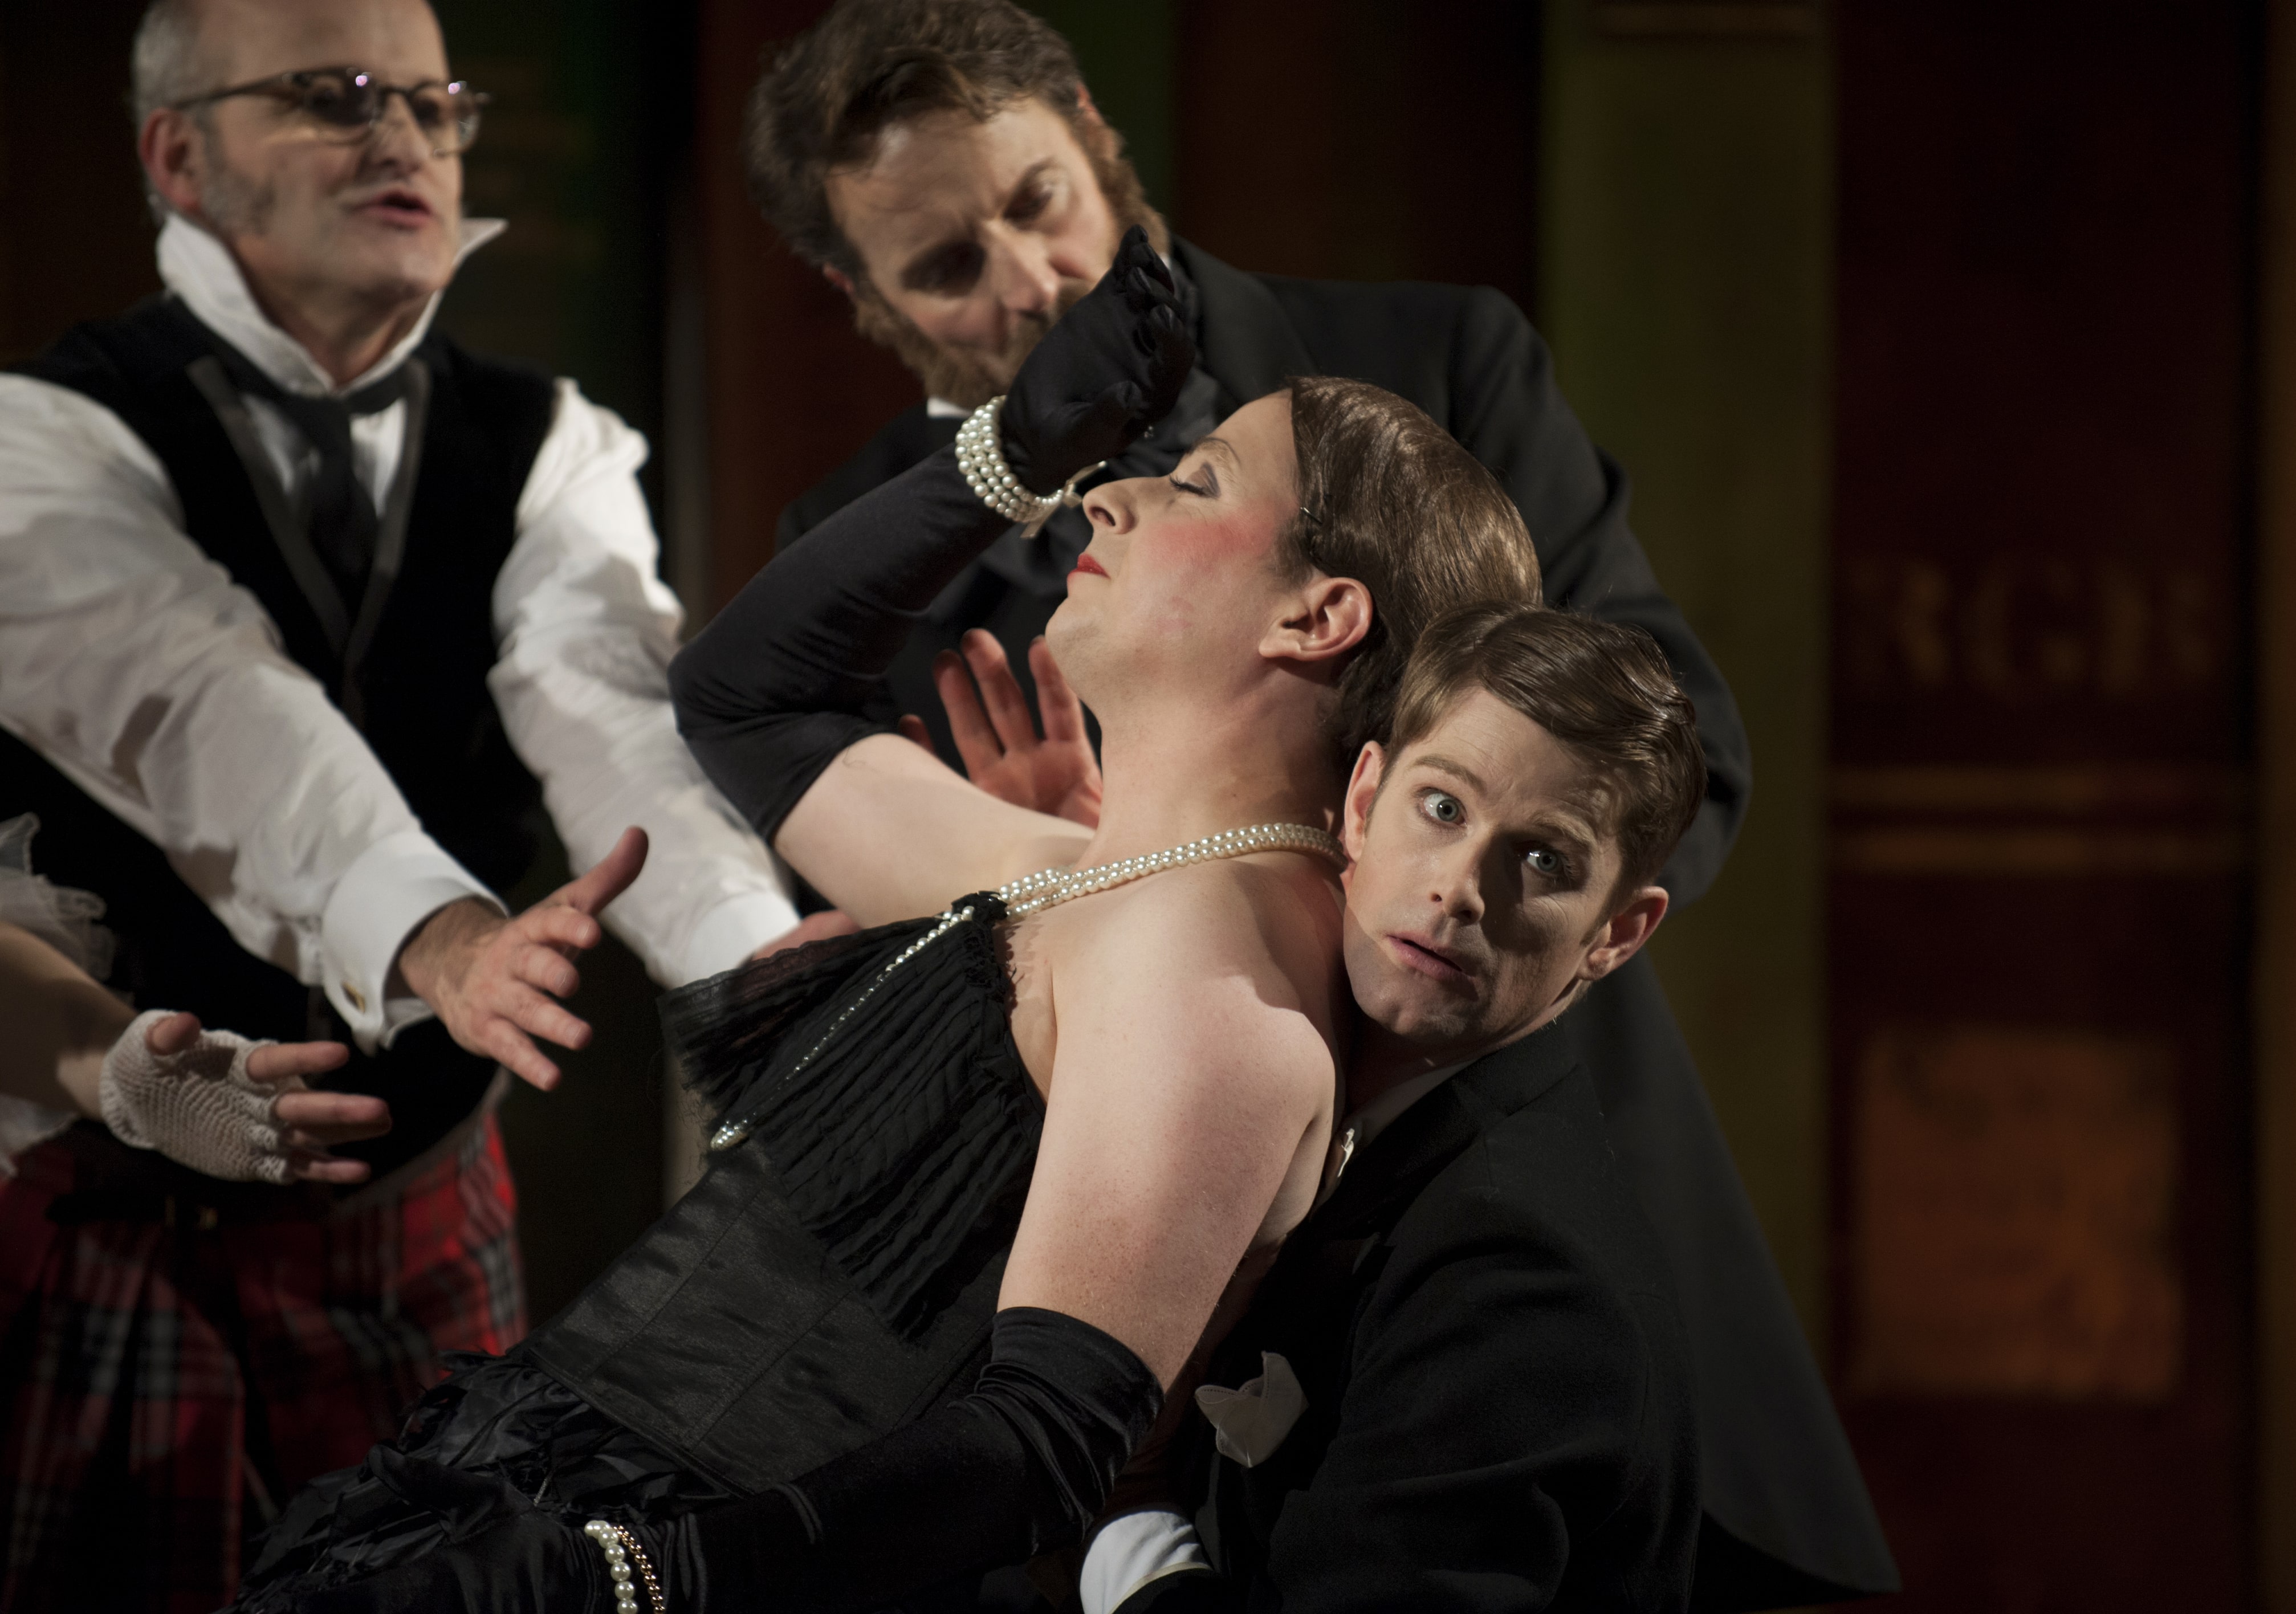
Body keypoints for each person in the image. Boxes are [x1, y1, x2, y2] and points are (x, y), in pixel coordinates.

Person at [228, 237, 1598, 1614]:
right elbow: (743, 699)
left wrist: (627, 1580)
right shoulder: (1089, 874)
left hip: (674, 1566)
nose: (1108, 496)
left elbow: (1039, 1443)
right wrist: (1007, 452)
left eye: (1192, 481)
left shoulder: (1219, 981)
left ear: (1316, 614)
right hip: (543, 1500)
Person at [747, 3, 1893, 1603]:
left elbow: (1678, 761)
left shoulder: (1439, 366)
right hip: (1141, 1353)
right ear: (862, 300)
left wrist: (1285, 930)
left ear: (1096, 138)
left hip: (1502, 1257)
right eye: (944, 265)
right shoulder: (857, 551)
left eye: (1036, 201)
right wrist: (1039, 897)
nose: (1032, 281)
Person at [0, 2, 815, 1607]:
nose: (407, 135)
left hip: (412, 1222)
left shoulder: (548, 442)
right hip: (101, 1218)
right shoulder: (40, 435)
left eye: (437, 102)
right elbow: (204, 707)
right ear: (181, 156)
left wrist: (762, 982)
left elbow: (610, 719)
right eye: (337, 94)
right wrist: (440, 938)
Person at [1078, 603, 1708, 1612]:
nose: (1460, 889)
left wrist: (1127, 1511)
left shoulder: (1523, 1283)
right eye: (1444, 808)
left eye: (1544, 860)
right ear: (1365, 801)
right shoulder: (1324, 1093)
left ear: (1617, 935)